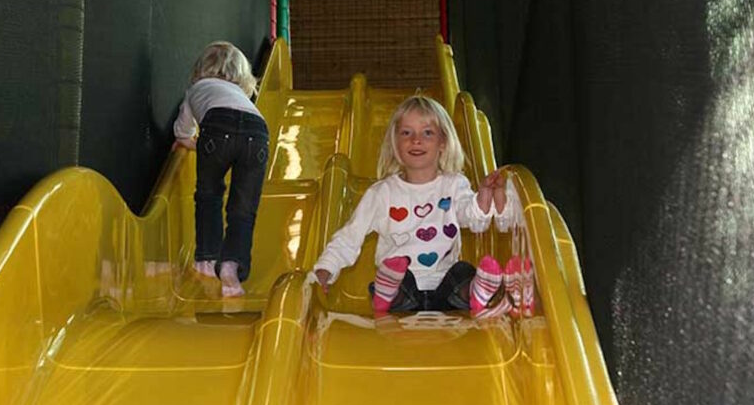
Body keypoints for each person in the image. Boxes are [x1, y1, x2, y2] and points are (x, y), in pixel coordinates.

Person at [312, 95, 531, 317]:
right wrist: (325, 270)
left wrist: (484, 194)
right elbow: (349, 238)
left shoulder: (454, 184)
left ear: (443, 142)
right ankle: (389, 293)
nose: (416, 140)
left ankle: (474, 292)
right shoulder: (382, 194)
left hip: (447, 292)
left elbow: (475, 221)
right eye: (406, 133)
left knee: (462, 271)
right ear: (394, 142)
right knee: (395, 275)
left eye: (427, 133)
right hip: (404, 295)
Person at [173, 41, 268, 297]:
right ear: (241, 75)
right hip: (258, 130)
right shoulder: (242, 97)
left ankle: (208, 258)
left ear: (201, 68)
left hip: (217, 125)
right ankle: (231, 266)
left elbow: (182, 132)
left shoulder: (197, 88)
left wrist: (192, 144)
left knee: (209, 196)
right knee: (244, 209)